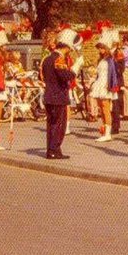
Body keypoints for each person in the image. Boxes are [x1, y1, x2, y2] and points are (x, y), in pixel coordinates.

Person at [42, 28, 79, 159]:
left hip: (49, 95)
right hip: (58, 96)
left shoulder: (47, 58)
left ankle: (52, 149)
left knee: (51, 124)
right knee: (58, 125)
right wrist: (75, 69)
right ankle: (54, 150)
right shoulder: (59, 59)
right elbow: (65, 76)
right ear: (66, 47)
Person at [89, 22, 121, 142]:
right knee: (101, 109)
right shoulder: (101, 59)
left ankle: (108, 133)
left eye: (102, 47)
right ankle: (104, 130)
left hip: (106, 85)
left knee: (106, 108)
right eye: (99, 48)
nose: (100, 50)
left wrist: (111, 86)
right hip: (100, 84)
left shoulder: (110, 59)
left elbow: (113, 74)